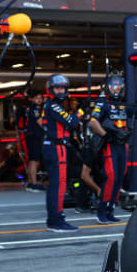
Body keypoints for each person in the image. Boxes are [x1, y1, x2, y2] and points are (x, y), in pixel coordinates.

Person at [87, 75, 132, 224]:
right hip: (110, 144)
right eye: (113, 85)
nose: (116, 88)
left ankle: (111, 209)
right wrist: (107, 135)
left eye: (119, 86)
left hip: (122, 145)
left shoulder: (125, 102)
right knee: (111, 176)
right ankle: (102, 211)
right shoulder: (103, 101)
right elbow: (92, 122)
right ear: (108, 87)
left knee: (120, 177)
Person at [42, 74, 83, 232]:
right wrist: (80, 112)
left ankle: (57, 218)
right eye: (57, 88)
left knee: (59, 185)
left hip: (58, 147)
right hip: (54, 148)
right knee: (57, 186)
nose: (60, 91)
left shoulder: (56, 105)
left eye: (62, 88)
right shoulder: (53, 105)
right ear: (51, 89)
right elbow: (72, 122)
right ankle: (55, 220)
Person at [19, 89, 45, 192]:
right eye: (37, 98)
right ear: (33, 99)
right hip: (35, 136)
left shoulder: (31, 108)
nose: (39, 100)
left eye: (40, 98)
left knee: (31, 160)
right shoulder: (35, 110)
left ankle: (30, 182)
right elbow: (41, 123)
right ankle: (34, 183)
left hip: (30, 136)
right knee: (35, 160)